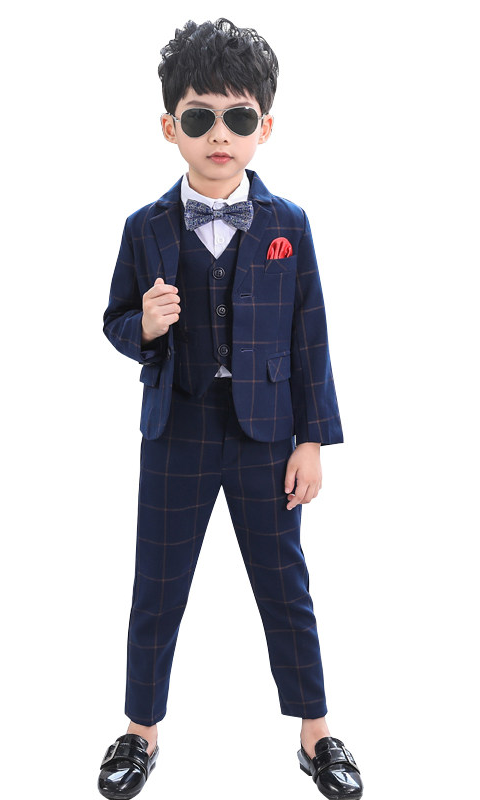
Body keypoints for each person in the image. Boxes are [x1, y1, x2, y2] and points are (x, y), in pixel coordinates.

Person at [97, 18, 363, 800]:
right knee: (158, 584)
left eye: (239, 117)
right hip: (175, 429)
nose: (220, 134)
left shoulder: (289, 225)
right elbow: (115, 320)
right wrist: (144, 328)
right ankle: (140, 731)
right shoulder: (144, 228)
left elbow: (311, 334)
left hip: (265, 436)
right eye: (201, 117)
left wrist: (312, 439)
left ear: (264, 127)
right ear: (170, 126)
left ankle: (316, 732)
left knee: (285, 584)